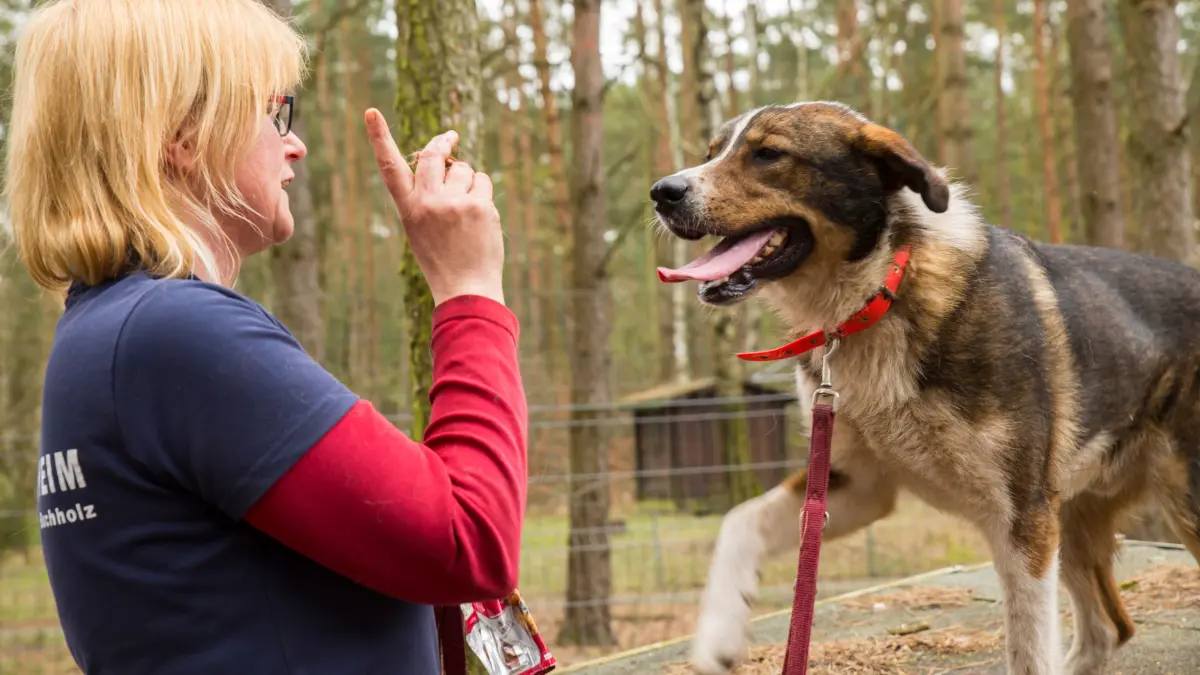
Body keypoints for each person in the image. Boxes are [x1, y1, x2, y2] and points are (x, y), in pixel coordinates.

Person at [4, 1, 528, 673]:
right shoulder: (177, 334)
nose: (294, 142)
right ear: (185, 137)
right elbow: (470, 540)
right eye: (273, 109)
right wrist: (469, 290)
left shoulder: (105, 334)